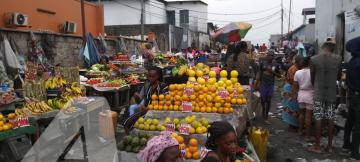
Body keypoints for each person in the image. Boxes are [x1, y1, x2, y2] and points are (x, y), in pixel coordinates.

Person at [309, 41, 342, 153]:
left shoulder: (314, 59)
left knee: (318, 117)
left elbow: (312, 78)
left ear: (323, 47)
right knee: (330, 117)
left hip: (319, 92)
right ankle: (330, 146)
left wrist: (316, 85)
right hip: (332, 93)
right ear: (332, 49)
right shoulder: (338, 59)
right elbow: (338, 76)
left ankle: (317, 146)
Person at [123, 66, 168, 132]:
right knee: (126, 124)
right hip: (145, 111)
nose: (151, 78)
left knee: (132, 125)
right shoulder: (147, 86)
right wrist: (137, 98)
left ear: (158, 76)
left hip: (156, 112)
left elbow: (166, 100)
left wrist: (152, 107)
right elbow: (140, 101)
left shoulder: (163, 86)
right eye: (149, 76)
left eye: (153, 76)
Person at [343, 36, 360, 160]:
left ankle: (346, 144)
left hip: (352, 94)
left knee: (350, 121)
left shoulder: (352, 61)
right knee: (358, 125)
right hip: (358, 96)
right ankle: (355, 152)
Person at [256, 52, 281, 124]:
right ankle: (263, 109)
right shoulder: (262, 63)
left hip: (271, 84)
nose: (270, 57)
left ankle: (266, 115)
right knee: (263, 100)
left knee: (269, 100)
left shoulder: (276, 65)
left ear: (273, 57)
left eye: (271, 56)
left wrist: (272, 72)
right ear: (266, 56)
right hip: (263, 84)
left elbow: (279, 75)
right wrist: (257, 83)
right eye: (268, 55)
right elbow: (259, 73)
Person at [293, 57, 314, 140]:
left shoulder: (298, 72)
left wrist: (296, 94)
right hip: (310, 94)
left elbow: (295, 86)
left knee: (301, 114)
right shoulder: (313, 73)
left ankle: (300, 131)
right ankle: (307, 136)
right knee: (308, 116)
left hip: (301, 94)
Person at [281, 55, 302, 130]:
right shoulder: (294, 69)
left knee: (291, 106)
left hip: (290, 88)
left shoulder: (295, 68)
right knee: (292, 107)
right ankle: (292, 125)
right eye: (301, 62)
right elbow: (294, 82)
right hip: (291, 89)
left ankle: (292, 124)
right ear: (298, 62)